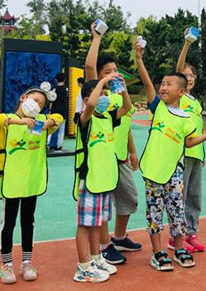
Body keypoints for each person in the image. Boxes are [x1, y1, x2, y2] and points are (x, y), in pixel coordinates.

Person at [135, 41, 206, 272]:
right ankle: (157, 253)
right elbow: (146, 81)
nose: (163, 87)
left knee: (176, 211)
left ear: (181, 92)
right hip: (153, 171)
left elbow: (189, 142)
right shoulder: (158, 107)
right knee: (155, 212)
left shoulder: (185, 117)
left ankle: (179, 247)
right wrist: (139, 59)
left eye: (169, 84)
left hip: (175, 171)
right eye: (162, 84)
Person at [0, 84, 63, 284]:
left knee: (28, 222)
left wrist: (48, 122)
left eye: (41, 104)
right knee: (8, 223)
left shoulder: (41, 123)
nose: (37, 106)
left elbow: (59, 118)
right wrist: (19, 122)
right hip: (11, 183)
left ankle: (27, 262)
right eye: (35, 100)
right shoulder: (6, 123)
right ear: (23, 98)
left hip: (31, 183)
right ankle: (6, 265)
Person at [85, 22, 141, 265]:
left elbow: (124, 123)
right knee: (104, 202)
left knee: (130, 197)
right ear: (99, 76)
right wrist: (96, 38)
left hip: (120, 156)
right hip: (102, 159)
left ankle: (119, 237)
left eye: (115, 70)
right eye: (108, 71)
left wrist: (132, 151)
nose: (114, 74)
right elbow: (89, 66)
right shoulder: (96, 95)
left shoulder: (118, 95)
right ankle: (104, 244)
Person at [73, 74, 133, 283]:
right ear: (87, 98)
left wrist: (121, 89)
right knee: (85, 224)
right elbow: (90, 105)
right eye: (101, 94)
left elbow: (127, 107)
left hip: (105, 180)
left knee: (98, 222)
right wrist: (102, 80)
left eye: (107, 93)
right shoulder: (84, 119)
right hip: (90, 179)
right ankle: (83, 267)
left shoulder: (108, 117)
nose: (105, 97)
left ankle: (95, 258)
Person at [173, 30, 205, 253]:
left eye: (192, 74)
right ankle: (176, 235)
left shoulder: (196, 102)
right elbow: (177, 71)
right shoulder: (179, 97)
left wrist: (202, 155)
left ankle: (191, 232)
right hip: (181, 154)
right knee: (179, 196)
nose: (190, 77)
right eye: (186, 75)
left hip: (196, 154)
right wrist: (187, 44)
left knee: (194, 196)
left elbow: (198, 129)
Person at [48, 72, 68, 152]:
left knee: (50, 127)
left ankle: (47, 144)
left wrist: (50, 110)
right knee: (61, 130)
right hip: (63, 111)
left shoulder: (54, 89)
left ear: (56, 79)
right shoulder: (66, 89)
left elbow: (51, 100)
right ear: (64, 79)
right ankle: (59, 146)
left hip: (55, 111)